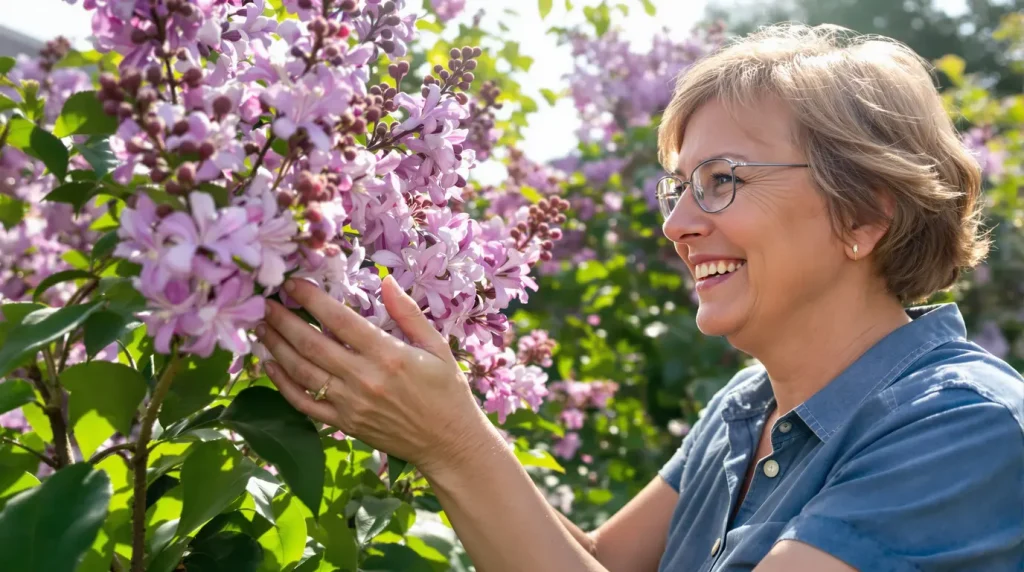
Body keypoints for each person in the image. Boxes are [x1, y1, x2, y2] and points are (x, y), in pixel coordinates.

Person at [253, 23, 1024, 572]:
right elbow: (591, 563)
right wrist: (421, 418)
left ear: (863, 214)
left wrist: (452, 443)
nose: (680, 226)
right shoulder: (750, 407)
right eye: (678, 190)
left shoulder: (967, 429)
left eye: (723, 181)